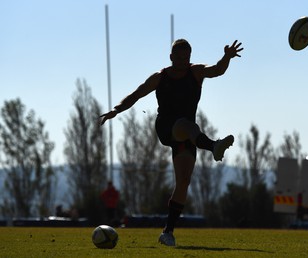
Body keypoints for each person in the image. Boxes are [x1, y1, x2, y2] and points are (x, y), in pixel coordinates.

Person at [100, 39, 243, 246]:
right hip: (167, 127)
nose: (183, 62)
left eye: (187, 58)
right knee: (187, 124)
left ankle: (167, 232)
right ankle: (213, 146)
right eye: (179, 58)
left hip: (188, 136)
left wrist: (227, 57)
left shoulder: (196, 72)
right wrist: (116, 110)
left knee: (183, 182)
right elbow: (136, 94)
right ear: (171, 57)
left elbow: (218, 70)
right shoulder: (160, 77)